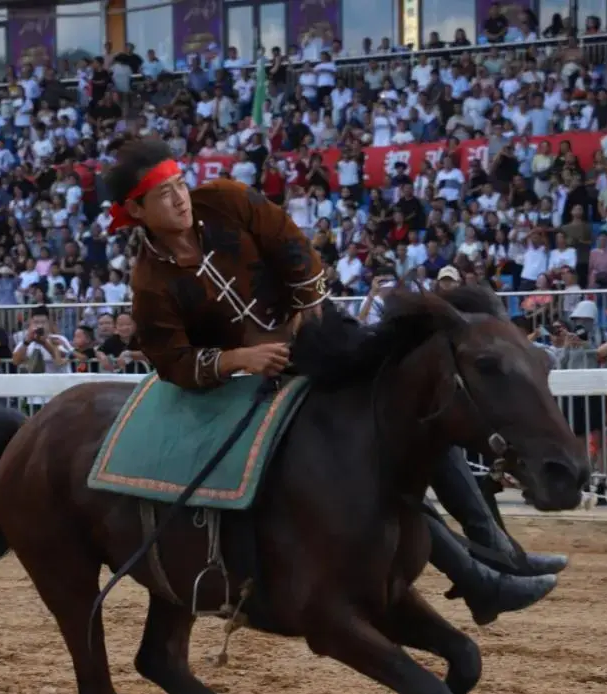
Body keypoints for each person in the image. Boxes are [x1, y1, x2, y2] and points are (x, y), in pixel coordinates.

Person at [107, 138, 561, 625]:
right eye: (165, 194)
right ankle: (479, 580)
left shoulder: (225, 199)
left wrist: (306, 301)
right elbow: (172, 362)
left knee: (418, 417)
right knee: (370, 473)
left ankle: (499, 553)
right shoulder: (148, 283)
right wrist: (239, 358)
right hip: (260, 381)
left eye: (180, 185)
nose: (180, 199)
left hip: (324, 336)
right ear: (136, 210)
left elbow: (290, 242)